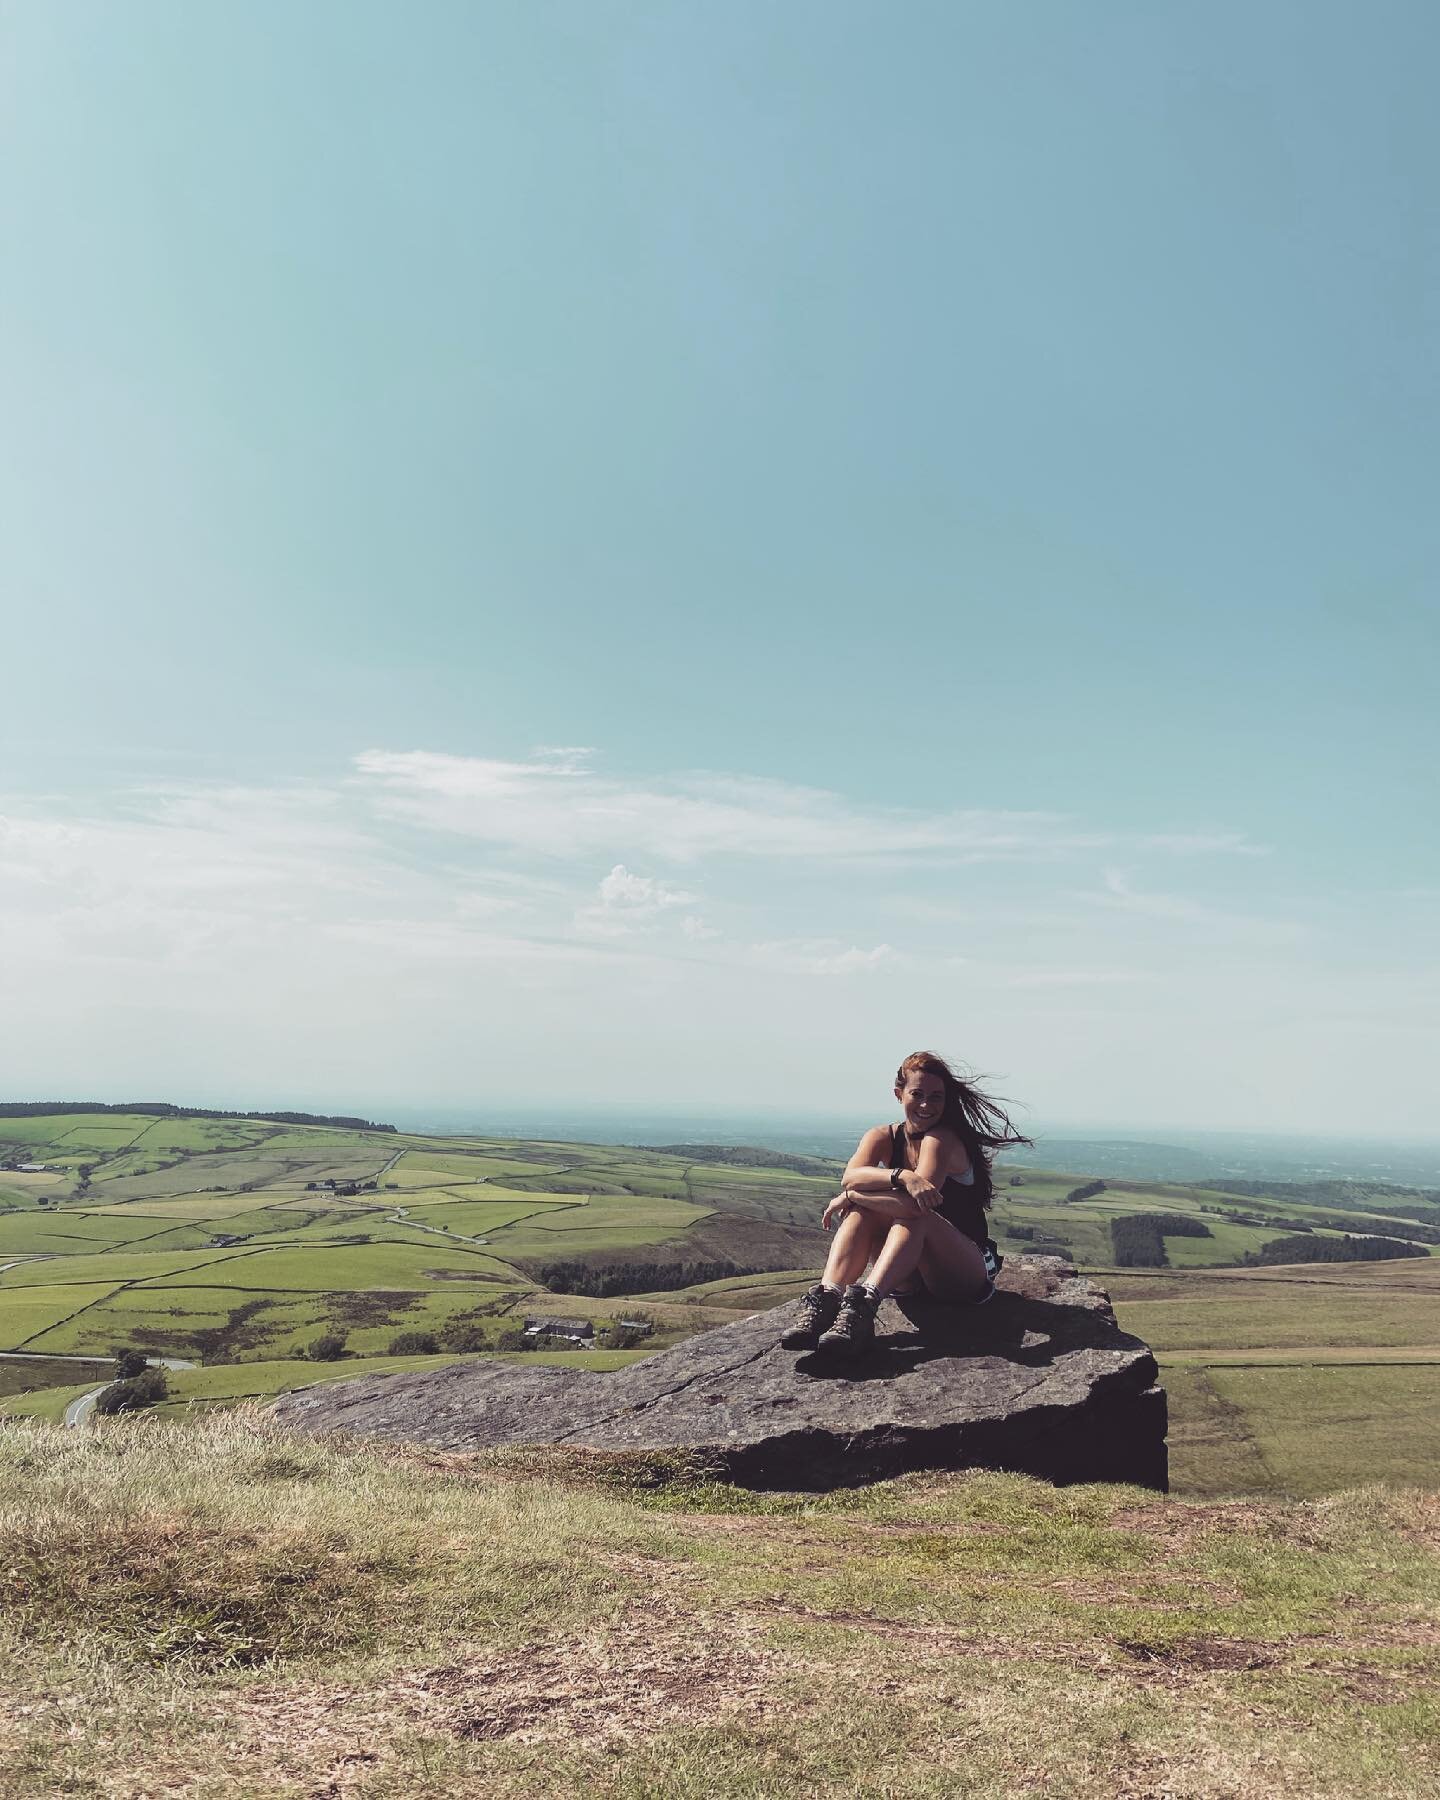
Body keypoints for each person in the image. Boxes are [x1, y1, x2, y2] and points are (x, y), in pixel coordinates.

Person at [781, 1051, 1032, 1358]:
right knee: (865, 1213)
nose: (927, 1105)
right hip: (908, 1273)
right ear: (898, 1094)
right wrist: (902, 1176)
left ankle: (864, 1305)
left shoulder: (941, 1139)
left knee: (908, 1214)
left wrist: (853, 1197)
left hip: (963, 1271)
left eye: (936, 1097)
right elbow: (851, 1176)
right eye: (918, 1094)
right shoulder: (883, 1136)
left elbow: (913, 1208)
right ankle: (828, 1297)